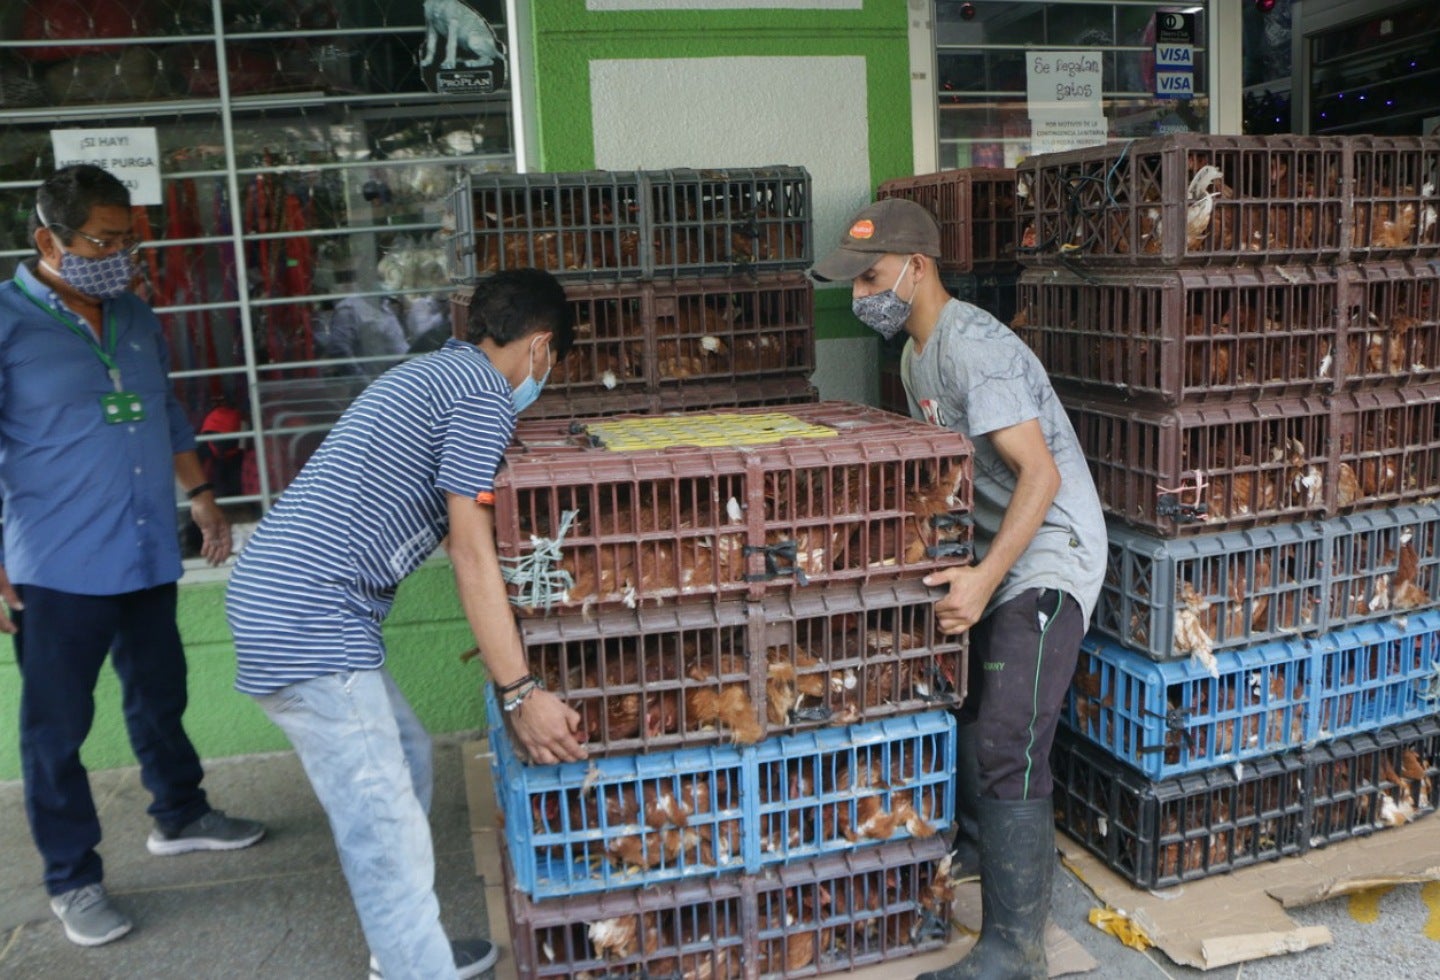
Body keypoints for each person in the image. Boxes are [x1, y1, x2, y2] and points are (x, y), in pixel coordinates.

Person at [225, 267, 587, 980]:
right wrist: (520, 692)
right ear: (540, 347)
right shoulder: (483, 395)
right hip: (309, 616)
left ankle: (405, 950)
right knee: (382, 824)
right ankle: (413, 967)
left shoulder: (435, 372)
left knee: (406, 757)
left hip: (287, 598)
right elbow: (471, 553)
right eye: (552, 363)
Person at [810, 198, 1106, 980]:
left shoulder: (976, 348)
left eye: (870, 277)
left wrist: (982, 578)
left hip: (1047, 556)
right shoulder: (916, 357)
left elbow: (1038, 476)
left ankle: (1016, 947)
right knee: (968, 708)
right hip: (991, 551)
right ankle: (981, 847)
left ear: (918, 268)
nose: (861, 294)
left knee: (1011, 734)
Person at [0, 164, 266, 949]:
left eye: (130, 238)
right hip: (56, 559)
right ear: (49, 239)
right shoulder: (8, 322)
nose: (123, 253)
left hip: (147, 546)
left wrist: (202, 496)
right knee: (55, 728)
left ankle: (179, 813)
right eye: (105, 240)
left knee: (160, 691)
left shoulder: (136, 315)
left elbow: (167, 409)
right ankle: (71, 878)